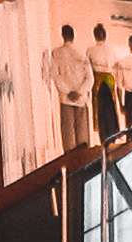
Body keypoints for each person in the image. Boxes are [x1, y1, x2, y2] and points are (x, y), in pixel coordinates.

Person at [44, 23, 94, 152]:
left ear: (63, 35)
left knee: (68, 138)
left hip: (65, 99)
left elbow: (55, 75)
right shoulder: (81, 54)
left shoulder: (56, 53)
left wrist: (68, 92)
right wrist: (79, 92)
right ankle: (83, 164)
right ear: (73, 36)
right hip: (81, 100)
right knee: (82, 139)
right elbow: (90, 78)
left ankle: (70, 166)